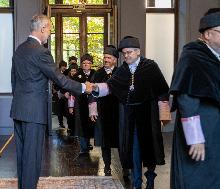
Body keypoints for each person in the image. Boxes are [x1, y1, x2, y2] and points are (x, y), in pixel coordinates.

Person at [10, 14, 92, 189]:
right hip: (34, 113)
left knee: (23, 156)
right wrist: (84, 87)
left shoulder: (20, 49)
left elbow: (14, 81)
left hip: (18, 109)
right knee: (32, 157)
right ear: (42, 28)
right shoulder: (41, 52)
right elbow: (60, 79)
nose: (49, 34)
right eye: (49, 30)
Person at [93, 36, 170, 189]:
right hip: (130, 117)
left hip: (148, 115)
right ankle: (136, 182)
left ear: (138, 52)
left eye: (129, 52)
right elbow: (110, 87)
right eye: (124, 53)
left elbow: (162, 90)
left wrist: (164, 116)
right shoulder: (122, 70)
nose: (126, 56)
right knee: (134, 149)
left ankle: (150, 177)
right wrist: (94, 88)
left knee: (150, 148)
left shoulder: (150, 67)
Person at [169, 9, 220, 189]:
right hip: (201, 130)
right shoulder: (192, 55)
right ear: (207, 34)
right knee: (197, 178)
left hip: (216, 131)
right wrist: (195, 137)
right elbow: (186, 98)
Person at [89, 45, 120, 176]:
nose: (106, 60)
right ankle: (107, 166)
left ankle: (125, 167)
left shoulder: (121, 72)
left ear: (115, 60)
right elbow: (91, 93)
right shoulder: (98, 73)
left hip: (118, 112)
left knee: (121, 141)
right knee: (104, 141)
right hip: (102, 112)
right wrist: (92, 111)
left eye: (109, 58)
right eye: (105, 57)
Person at [71, 53, 96, 156]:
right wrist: (71, 106)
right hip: (80, 102)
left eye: (88, 63)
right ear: (81, 64)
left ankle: (88, 143)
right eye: (84, 63)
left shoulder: (96, 74)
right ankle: (83, 147)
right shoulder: (77, 75)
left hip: (92, 103)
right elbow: (73, 89)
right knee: (80, 125)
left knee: (90, 124)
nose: (86, 65)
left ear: (91, 64)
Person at [53, 60, 68, 128]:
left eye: (65, 66)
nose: (65, 68)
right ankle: (60, 123)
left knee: (64, 108)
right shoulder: (56, 73)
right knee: (59, 109)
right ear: (60, 67)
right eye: (63, 66)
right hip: (58, 93)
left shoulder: (66, 73)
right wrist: (55, 91)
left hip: (64, 93)